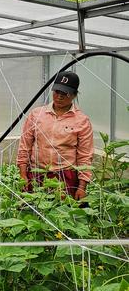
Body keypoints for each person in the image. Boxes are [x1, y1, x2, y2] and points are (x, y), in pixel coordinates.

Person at [17, 71, 94, 199]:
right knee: (32, 212)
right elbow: (25, 146)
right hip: (37, 173)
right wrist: (23, 174)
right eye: (57, 91)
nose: (59, 96)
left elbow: (85, 156)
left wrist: (81, 187)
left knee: (61, 213)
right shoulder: (37, 114)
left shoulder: (81, 120)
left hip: (65, 177)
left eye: (65, 93)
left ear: (74, 95)